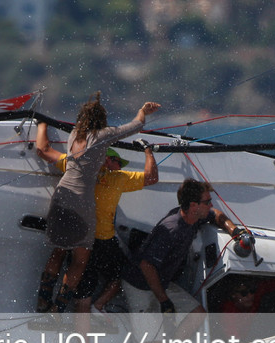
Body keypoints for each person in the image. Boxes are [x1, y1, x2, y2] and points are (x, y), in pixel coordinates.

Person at [44, 93, 161, 306]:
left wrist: (41, 122)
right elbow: (136, 125)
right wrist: (143, 111)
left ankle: (43, 302)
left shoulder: (73, 136)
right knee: (80, 260)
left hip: (60, 196)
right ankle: (58, 308)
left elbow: (44, 150)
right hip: (81, 201)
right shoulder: (101, 136)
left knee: (58, 250)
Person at [132, 179, 250, 315]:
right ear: (194, 206)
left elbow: (216, 214)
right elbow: (146, 265)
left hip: (163, 283)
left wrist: (235, 232)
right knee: (154, 335)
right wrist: (164, 301)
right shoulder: (172, 229)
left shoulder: (194, 217)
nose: (210, 205)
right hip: (140, 285)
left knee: (198, 314)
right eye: (207, 202)